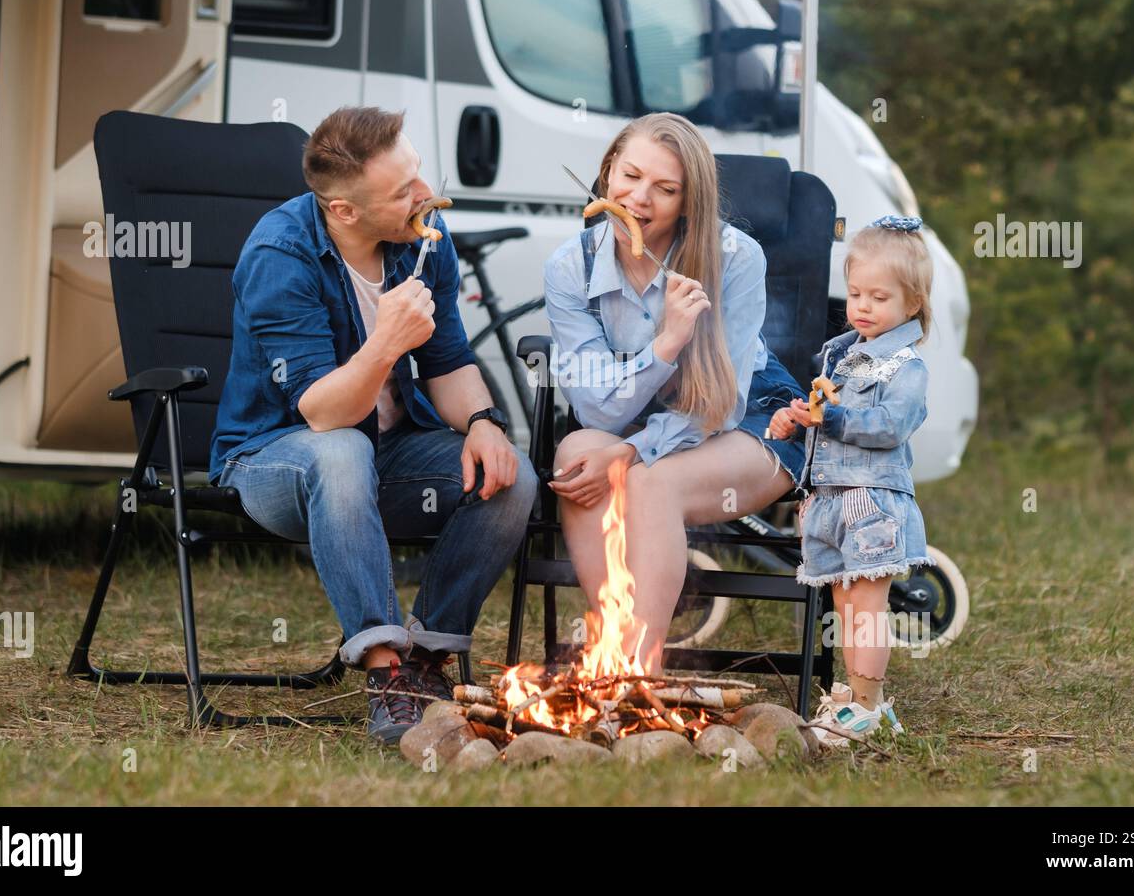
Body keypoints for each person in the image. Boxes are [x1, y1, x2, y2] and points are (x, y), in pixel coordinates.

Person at [208, 106, 537, 743]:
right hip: (274, 459)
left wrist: (484, 422)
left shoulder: (423, 240)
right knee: (339, 453)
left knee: (512, 476)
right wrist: (385, 342)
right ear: (344, 211)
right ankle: (386, 674)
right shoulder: (281, 254)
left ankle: (424, 660)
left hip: (388, 451)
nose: (425, 196)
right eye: (403, 191)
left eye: (418, 174)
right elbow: (323, 413)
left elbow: (448, 363)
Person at [543, 111, 808, 672]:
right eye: (630, 176)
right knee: (574, 459)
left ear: (689, 201)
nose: (639, 200)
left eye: (665, 189)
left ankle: (638, 670)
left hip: (747, 419)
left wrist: (634, 450)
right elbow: (593, 409)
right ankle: (612, 647)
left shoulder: (733, 258)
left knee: (651, 483)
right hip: (631, 418)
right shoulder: (570, 267)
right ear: (607, 170)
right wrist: (665, 344)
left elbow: (724, 402)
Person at [768, 214, 936, 747]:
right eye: (856, 293)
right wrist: (796, 421)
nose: (862, 307)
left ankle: (864, 707)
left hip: (871, 504)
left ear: (912, 305)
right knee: (844, 607)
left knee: (865, 609)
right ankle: (863, 698)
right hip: (830, 501)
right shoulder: (840, 355)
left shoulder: (903, 368)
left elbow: (889, 427)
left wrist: (833, 420)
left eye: (879, 298)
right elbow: (824, 419)